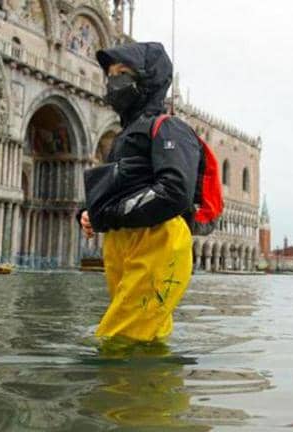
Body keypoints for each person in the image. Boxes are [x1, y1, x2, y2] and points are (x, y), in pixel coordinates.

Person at [78, 42, 201, 342]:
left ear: (147, 78)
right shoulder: (124, 137)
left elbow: (174, 191)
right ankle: (153, 387)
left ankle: (125, 389)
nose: (113, 81)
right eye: (110, 74)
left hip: (157, 240)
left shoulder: (169, 128)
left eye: (123, 73)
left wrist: (109, 215)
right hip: (125, 242)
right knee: (145, 335)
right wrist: (88, 213)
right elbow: (119, 186)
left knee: (119, 339)